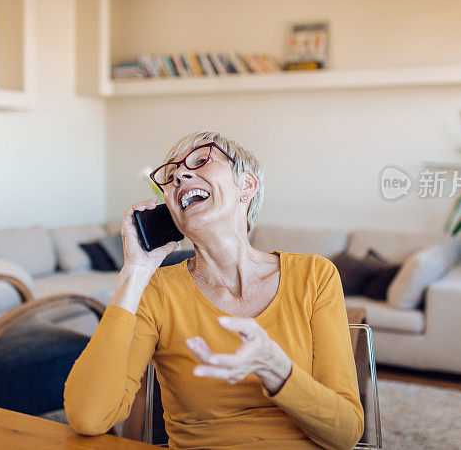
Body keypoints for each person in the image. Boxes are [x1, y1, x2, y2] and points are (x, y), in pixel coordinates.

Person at [64, 131, 363, 450]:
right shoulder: (158, 292)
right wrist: (134, 273)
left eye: (201, 160)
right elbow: (90, 417)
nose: (179, 174)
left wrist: (274, 368)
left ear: (246, 186)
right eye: (170, 176)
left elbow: (345, 434)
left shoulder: (314, 275)